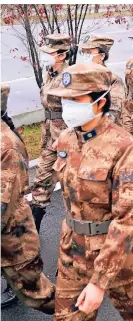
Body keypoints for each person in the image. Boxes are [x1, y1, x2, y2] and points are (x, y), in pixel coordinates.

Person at [49, 63, 133, 320]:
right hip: (74, 250)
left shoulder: (124, 147)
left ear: (99, 102)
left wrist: (99, 281)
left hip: (119, 255)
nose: (68, 106)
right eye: (65, 99)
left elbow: (127, 218)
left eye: (76, 99)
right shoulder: (66, 139)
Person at [1, 84, 56, 314]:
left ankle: (77, 312)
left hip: (14, 239)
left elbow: (3, 204)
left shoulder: (7, 146)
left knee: (40, 297)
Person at [31, 33, 71, 233]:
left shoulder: (69, 77)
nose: (46, 56)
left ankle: (77, 235)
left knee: (70, 185)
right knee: (41, 181)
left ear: (62, 55)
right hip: (49, 136)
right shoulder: (50, 73)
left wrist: (66, 136)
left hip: (66, 138)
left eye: (50, 53)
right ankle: (30, 235)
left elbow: (74, 111)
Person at [78, 34, 126, 125]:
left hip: (103, 131)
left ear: (101, 56)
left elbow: (112, 113)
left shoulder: (113, 80)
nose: (84, 56)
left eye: (88, 53)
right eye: (83, 52)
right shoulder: (81, 78)